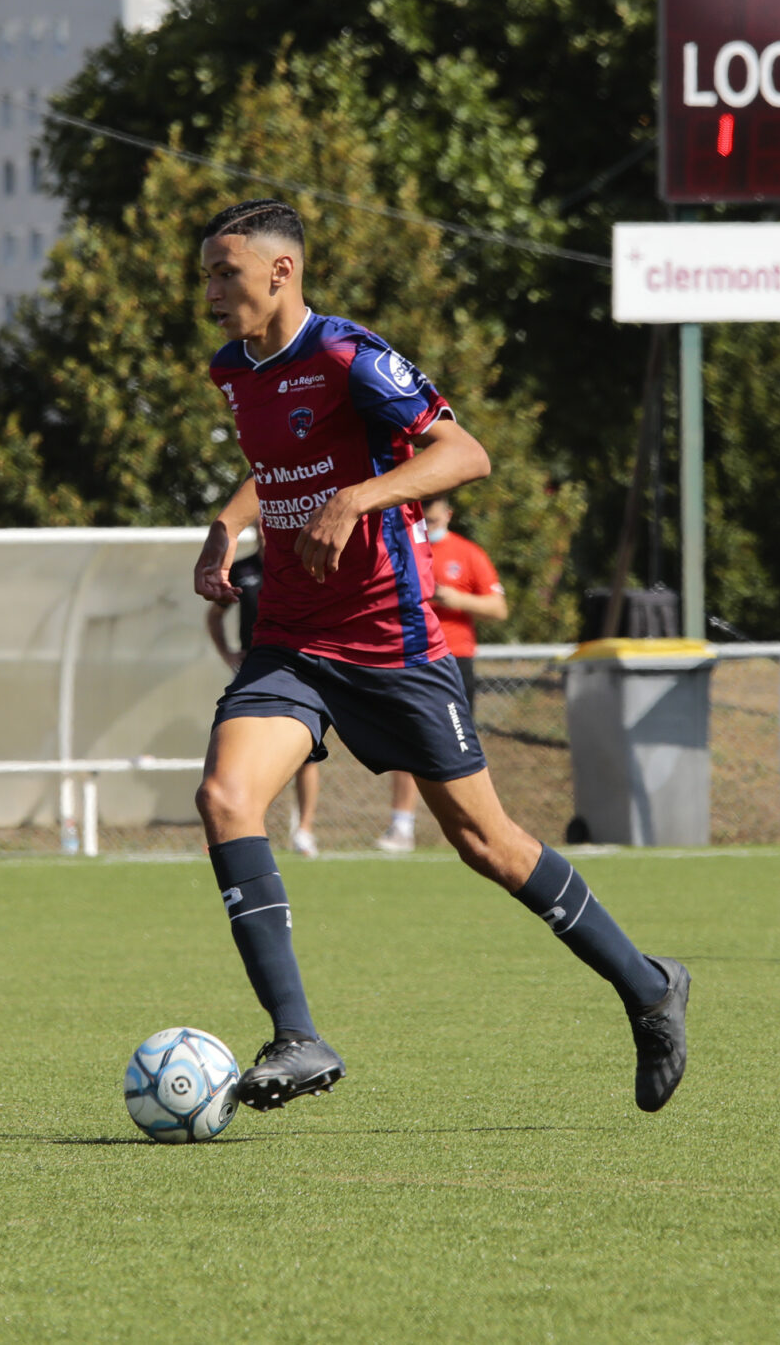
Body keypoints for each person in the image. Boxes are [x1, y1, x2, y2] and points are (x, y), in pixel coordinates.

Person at [191, 197, 688, 1113]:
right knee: (225, 796)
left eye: (225, 272)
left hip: (392, 640)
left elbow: (465, 454)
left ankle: (649, 986)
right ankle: (297, 1033)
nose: (210, 292)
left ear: (280, 271)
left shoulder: (349, 355)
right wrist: (227, 528)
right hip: (293, 640)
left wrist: (358, 499)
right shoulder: (235, 369)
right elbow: (273, 466)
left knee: (488, 844)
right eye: (208, 275)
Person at [377, 496, 509, 853]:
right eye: (425, 519)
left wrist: (456, 600)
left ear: (448, 515)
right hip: (411, 660)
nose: (430, 526)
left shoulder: (468, 553)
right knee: (407, 743)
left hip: (455, 660)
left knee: (459, 748)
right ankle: (401, 826)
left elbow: (498, 608)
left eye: (435, 520)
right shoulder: (399, 546)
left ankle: (479, 824)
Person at [205, 544, 324, 858]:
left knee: (307, 757)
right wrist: (228, 653)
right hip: (254, 673)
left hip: (296, 671)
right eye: (257, 524)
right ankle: (245, 827)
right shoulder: (241, 570)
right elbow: (215, 613)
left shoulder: (303, 563)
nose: (263, 529)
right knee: (242, 757)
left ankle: (305, 830)